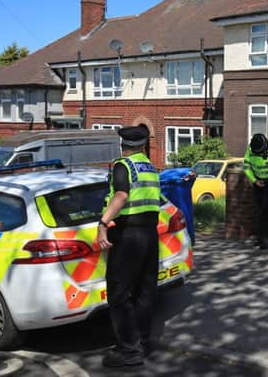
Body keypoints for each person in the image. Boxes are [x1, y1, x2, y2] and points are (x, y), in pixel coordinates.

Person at [96, 125, 161, 367]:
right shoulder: (150, 168)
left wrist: (103, 223)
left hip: (128, 234)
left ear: (122, 145)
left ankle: (128, 350)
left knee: (119, 293)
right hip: (149, 234)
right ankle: (141, 341)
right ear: (143, 145)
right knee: (145, 290)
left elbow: (121, 196)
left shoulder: (123, 165)